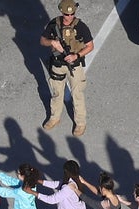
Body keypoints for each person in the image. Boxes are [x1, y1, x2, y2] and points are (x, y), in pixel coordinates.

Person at [40, 0, 95, 137]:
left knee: (77, 95)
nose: (69, 16)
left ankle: (80, 123)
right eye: (66, 14)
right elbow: (42, 40)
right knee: (57, 92)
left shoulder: (81, 26)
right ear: (61, 12)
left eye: (72, 14)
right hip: (57, 64)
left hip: (74, 66)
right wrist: (52, 42)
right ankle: (54, 117)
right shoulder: (54, 24)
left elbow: (90, 46)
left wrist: (76, 55)